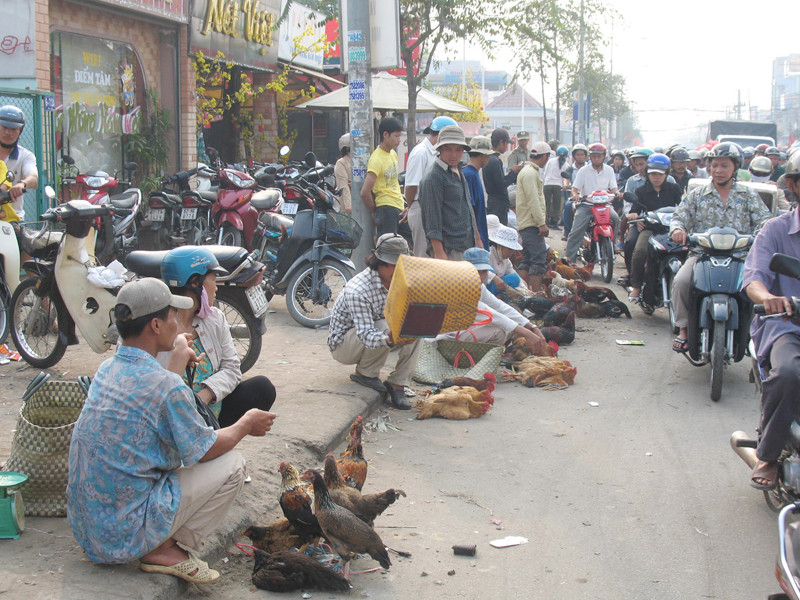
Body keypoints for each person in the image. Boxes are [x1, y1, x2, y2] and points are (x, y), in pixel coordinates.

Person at [67, 278, 276, 583]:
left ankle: (157, 542)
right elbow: (203, 451)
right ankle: (163, 548)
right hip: (124, 536)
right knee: (233, 465)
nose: (177, 322)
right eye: (171, 316)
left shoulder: (107, 368)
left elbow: (156, 397)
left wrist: (176, 364)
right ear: (155, 325)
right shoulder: (166, 386)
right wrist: (245, 424)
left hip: (91, 533)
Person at [158, 246, 276, 427]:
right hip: (174, 416)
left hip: (210, 406)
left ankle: (216, 436)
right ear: (195, 283)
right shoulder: (159, 326)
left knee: (262, 388)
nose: (216, 287)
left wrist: (204, 395)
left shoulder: (214, 317)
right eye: (213, 279)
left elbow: (232, 368)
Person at [669, 142, 770, 352]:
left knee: (758, 286)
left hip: (741, 256)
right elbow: (679, 217)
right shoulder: (697, 194)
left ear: (735, 167)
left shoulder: (748, 195)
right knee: (681, 281)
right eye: (714, 165)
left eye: (724, 165)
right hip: (702, 255)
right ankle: (684, 328)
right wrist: (678, 230)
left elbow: (764, 221)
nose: (718, 170)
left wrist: (761, 236)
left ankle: (756, 332)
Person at [741, 150, 800, 490]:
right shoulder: (775, 231)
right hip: (787, 326)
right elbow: (754, 279)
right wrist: (769, 299)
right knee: (790, 372)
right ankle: (770, 453)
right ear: (792, 184)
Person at [327, 234, 422, 410]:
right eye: (396, 265)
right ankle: (365, 373)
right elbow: (365, 333)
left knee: (416, 327)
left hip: (376, 332)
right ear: (380, 263)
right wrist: (390, 339)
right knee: (385, 327)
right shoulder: (358, 290)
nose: (401, 270)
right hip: (344, 345)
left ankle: (398, 384)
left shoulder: (401, 280)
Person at [436, 248, 548, 356]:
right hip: (445, 338)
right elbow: (488, 313)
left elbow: (500, 307)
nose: (480, 276)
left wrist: (533, 328)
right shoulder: (458, 287)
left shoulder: (479, 287)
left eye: (483, 271)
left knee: (508, 327)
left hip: (461, 332)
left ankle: (472, 358)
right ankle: (467, 359)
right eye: (475, 271)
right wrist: (527, 332)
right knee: (499, 332)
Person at [625, 154, 683, 305]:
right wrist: (633, 215)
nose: (656, 177)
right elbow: (635, 209)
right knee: (639, 251)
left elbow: (683, 208)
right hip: (650, 229)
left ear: (666, 174)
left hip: (671, 230)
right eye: (653, 174)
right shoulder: (641, 191)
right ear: (648, 174)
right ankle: (636, 286)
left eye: (660, 174)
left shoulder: (674, 189)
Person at [419, 125, 482, 260]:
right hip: (448, 250)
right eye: (448, 149)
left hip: (466, 246)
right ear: (440, 148)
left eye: (458, 150)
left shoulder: (458, 170)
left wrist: (477, 239)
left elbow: (469, 208)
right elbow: (432, 220)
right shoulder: (434, 177)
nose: (454, 155)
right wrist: (439, 252)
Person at [401, 116, 457, 256]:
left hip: (433, 208)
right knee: (423, 256)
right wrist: (411, 206)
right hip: (420, 206)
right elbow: (412, 186)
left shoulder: (436, 153)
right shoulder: (421, 153)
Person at [565, 143, 620, 263]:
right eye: (593, 156)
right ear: (590, 157)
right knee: (576, 230)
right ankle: (570, 259)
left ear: (604, 156)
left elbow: (614, 188)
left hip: (605, 205)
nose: (596, 159)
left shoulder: (609, 170)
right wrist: (576, 196)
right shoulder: (583, 171)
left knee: (616, 219)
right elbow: (575, 189)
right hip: (586, 205)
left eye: (599, 156)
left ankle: (613, 243)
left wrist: (618, 193)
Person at [515, 141, 552, 293]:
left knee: (527, 260)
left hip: (527, 222)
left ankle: (524, 293)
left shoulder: (528, 171)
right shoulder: (530, 173)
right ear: (544, 157)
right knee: (538, 261)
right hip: (532, 223)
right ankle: (535, 295)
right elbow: (533, 200)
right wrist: (541, 223)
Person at [361, 117, 404, 236]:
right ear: (385, 135)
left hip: (399, 205)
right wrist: (374, 211)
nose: (399, 140)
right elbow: (365, 192)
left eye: (400, 136)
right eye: (396, 136)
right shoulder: (376, 159)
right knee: (388, 248)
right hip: (386, 208)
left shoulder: (393, 154)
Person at [0, 105, 38, 221]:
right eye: (5, 127)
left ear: (20, 130)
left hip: (12, 222)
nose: (8, 133)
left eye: (13, 129)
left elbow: (34, 178)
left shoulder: (26, 156)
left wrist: (22, 184)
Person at [483, 128, 523, 225]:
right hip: (498, 204)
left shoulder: (490, 159)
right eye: (506, 144)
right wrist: (513, 172)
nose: (506, 147)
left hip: (493, 202)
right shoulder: (495, 161)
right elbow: (501, 184)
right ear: (501, 142)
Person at [463, 134, 495, 250]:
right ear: (483, 155)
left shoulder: (473, 173)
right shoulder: (469, 175)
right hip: (474, 238)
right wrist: (478, 238)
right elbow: (470, 210)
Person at [486, 224, 528, 297]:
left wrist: (526, 290)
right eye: (509, 249)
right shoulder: (488, 254)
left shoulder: (506, 261)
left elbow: (513, 273)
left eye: (513, 250)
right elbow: (479, 270)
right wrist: (494, 277)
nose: (511, 252)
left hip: (496, 290)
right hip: (485, 288)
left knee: (515, 278)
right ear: (500, 246)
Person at [560, 144, 589, 239]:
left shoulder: (589, 168)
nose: (580, 157)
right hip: (575, 195)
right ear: (574, 156)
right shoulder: (571, 168)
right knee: (568, 206)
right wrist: (566, 184)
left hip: (589, 197)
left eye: (582, 154)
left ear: (585, 156)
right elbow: (566, 178)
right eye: (578, 154)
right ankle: (567, 232)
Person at [543, 145, 569, 230]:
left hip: (547, 184)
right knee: (557, 205)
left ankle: (545, 222)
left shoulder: (550, 161)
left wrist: (545, 180)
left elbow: (545, 172)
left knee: (546, 204)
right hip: (558, 185)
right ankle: (554, 222)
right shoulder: (566, 165)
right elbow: (565, 177)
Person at [333, 133, 352, 214]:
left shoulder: (360, 162)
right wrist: (348, 206)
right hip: (347, 208)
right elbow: (343, 185)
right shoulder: (341, 163)